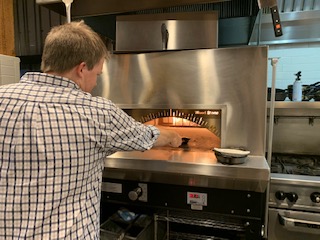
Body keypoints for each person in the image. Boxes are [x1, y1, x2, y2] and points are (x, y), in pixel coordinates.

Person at [0, 20, 181, 239]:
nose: (96, 83)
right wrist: (174, 136)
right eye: (97, 75)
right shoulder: (97, 111)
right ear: (82, 68)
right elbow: (148, 136)